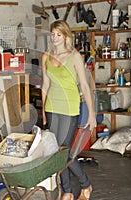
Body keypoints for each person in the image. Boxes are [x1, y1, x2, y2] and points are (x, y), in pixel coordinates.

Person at [41, 20, 96, 200]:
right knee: (55, 151)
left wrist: (92, 114)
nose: (55, 38)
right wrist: (43, 110)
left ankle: (85, 185)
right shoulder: (46, 56)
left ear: (65, 36)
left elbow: (85, 87)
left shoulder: (74, 56)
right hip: (52, 107)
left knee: (64, 152)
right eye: (52, 34)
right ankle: (67, 191)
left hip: (70, 108)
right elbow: (45, 85)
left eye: (59, 34)